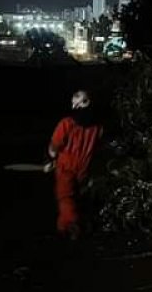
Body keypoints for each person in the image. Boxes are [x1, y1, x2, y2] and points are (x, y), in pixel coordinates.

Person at [46, 90, 102, 239]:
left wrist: (51, 159)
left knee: (65, 198)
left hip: (66, 168)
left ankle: (72, 228)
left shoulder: (67, 124)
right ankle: (63, 229)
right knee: (76, 199)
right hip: (84, 169)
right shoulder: (97, 128)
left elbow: (53, 147)